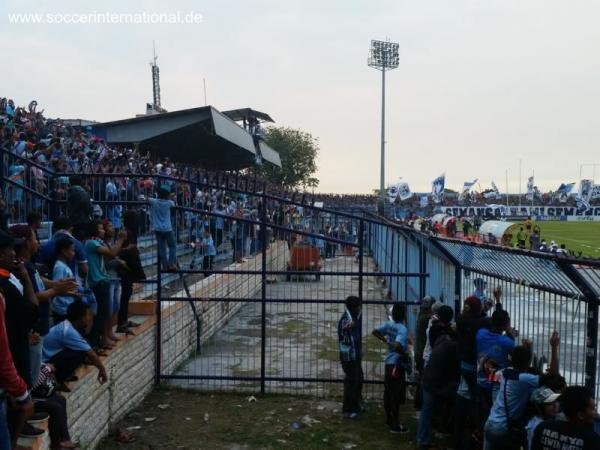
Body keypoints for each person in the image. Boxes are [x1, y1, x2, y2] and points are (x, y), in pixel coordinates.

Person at [483, 332, 560, 450]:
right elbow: (553, 376)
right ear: (528, 362)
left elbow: (491, 376)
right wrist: (554, 347)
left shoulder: (504, 372)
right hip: (502, 428)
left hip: (490, 423)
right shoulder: (525, 379)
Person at [417, 305, 459, 449]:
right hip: (439, 376)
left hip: (430, 371)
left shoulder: (434, 327)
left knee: (426, 409)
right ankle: (446, 430)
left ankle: (424, 439)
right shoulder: (446, 337)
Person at [84, 220, 127, 350]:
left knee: (106, 312)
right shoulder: (91, 243)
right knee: (101, 314)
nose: (103, 230)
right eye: (100, 229)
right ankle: (97, 342)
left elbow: (111, 256)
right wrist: (120, 239)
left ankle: (102, 339)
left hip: (103, 280)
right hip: (98, 282)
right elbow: (112, 254)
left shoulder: (97, 242)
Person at [42, 300, 108, 385]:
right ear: (81, 318)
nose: (89, 318)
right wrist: (102, 370)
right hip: (45, 362)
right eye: (88, 315)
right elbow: (91, 354)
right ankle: (58, 378)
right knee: (81, 352)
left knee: (84, 345)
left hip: (48, 358)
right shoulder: (69, 332)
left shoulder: (67, 325)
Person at [372, 303, 410, 433]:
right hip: (397, 364)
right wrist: (405, 354)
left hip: (389, 362)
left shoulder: (390, 324)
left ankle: (389, 418)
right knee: (396, 394)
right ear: (404, 314)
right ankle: (395, 424)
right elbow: (398, 345)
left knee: (388, 392)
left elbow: (375, 331)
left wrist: (386, 341)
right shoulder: (402, 329)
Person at [476, 309, 516, 418]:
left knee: (482, 413)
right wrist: (510, 333)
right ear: (505, 325)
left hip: (480, 380)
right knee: (493, 414)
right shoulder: (507, 342)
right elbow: (516, 357)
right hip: (495, 386)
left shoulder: (481, 333)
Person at [531, 386, 600, 449]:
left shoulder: (543, 427)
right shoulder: (592, 441)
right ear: (581, 415)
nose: (555, 405)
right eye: (593, 409)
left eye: (556, 401)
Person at [116, 210, 145, 334]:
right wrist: (129, 250)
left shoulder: (131, 232)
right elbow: (118, 251)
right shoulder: (125, 233)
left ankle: (124, 320)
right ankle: (121, 323)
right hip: (125, 268)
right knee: (125, 296)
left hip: (129, 268)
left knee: (127, 295)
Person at [338, 296, 363, 419]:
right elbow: (345, 327)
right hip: (349, 356)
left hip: (354, 355)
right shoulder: (346, 319)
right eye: (358, 306)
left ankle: (355, 405)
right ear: (354, 307)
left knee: (357, 380)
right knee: (351, 383)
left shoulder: (353, 317)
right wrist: (351, 325)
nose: (360, 308)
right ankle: (349, 409)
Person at [149, 187, 177, 271]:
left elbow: (147, 199)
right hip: (167, 229)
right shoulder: (169, 203)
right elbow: (174, 205)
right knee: (172, 246)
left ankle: (164, 266)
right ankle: (171, 264)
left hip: (157, 229)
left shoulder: (154, 201)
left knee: (162, 248)